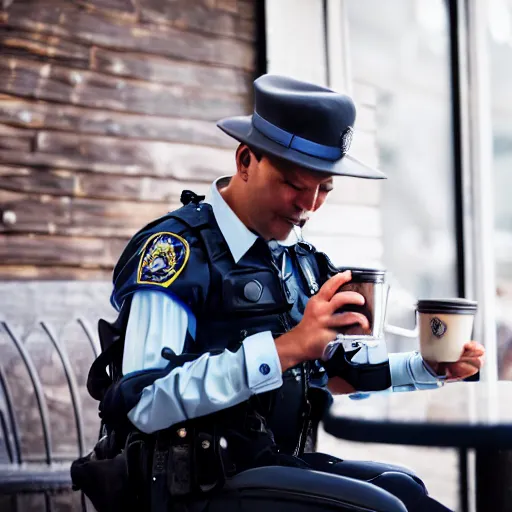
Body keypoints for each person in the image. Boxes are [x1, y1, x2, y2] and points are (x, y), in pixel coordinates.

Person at [74, 75, 485, 512]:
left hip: (272, 469)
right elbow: (145, 403)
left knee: (405, 491)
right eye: (294, 183)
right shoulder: (175, 251)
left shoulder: (299, 260)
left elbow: (331, 375)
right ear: (246, 159)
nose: (308, 205)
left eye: (324, 189)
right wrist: (289, 347)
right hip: (193, 491)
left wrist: (429, 366)